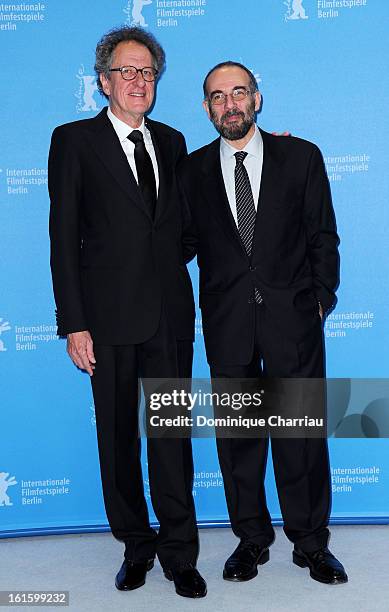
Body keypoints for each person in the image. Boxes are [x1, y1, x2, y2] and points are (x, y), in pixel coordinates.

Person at [48, 26, 206, 599]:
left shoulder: (174, 141)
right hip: (106, 320)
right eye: (127, 71)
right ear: (103, 82)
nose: (138, 82)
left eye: (148, 72)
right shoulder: (73, 141)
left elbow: (184, 228)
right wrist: (74, 321)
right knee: (117, 439)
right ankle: (136, 546)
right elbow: (62, 238)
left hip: (169, 317)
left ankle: (180, 553)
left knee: (171, 435)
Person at [180, 61, 347, 585]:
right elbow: (180, 244)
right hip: (228, 323)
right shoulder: (191, 170)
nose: (229, 104)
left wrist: (320, 299)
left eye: (238, 92)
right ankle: (251, 540)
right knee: (239, 442)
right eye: (217, 97)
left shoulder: (301, 156)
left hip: (293, 320)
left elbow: (323, 235)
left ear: (257, 98)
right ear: (207, 108)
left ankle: (311, 543)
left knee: (300, 436)